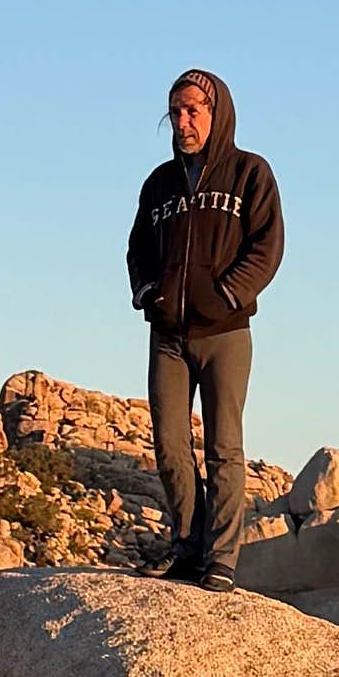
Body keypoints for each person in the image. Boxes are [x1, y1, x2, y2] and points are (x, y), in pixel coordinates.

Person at [127, 68, 282, 585]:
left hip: (226, 333)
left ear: (218, 113)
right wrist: (148, 292)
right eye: (176, 112)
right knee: (171, 446)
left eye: (193, 110)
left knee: (223, 447)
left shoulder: (250, 174)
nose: (183, 121)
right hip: (168, 335)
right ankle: (189, 551)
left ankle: (222, 558)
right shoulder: (159, 185)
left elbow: (267, 246)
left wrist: (228, 294)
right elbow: (138, 251)